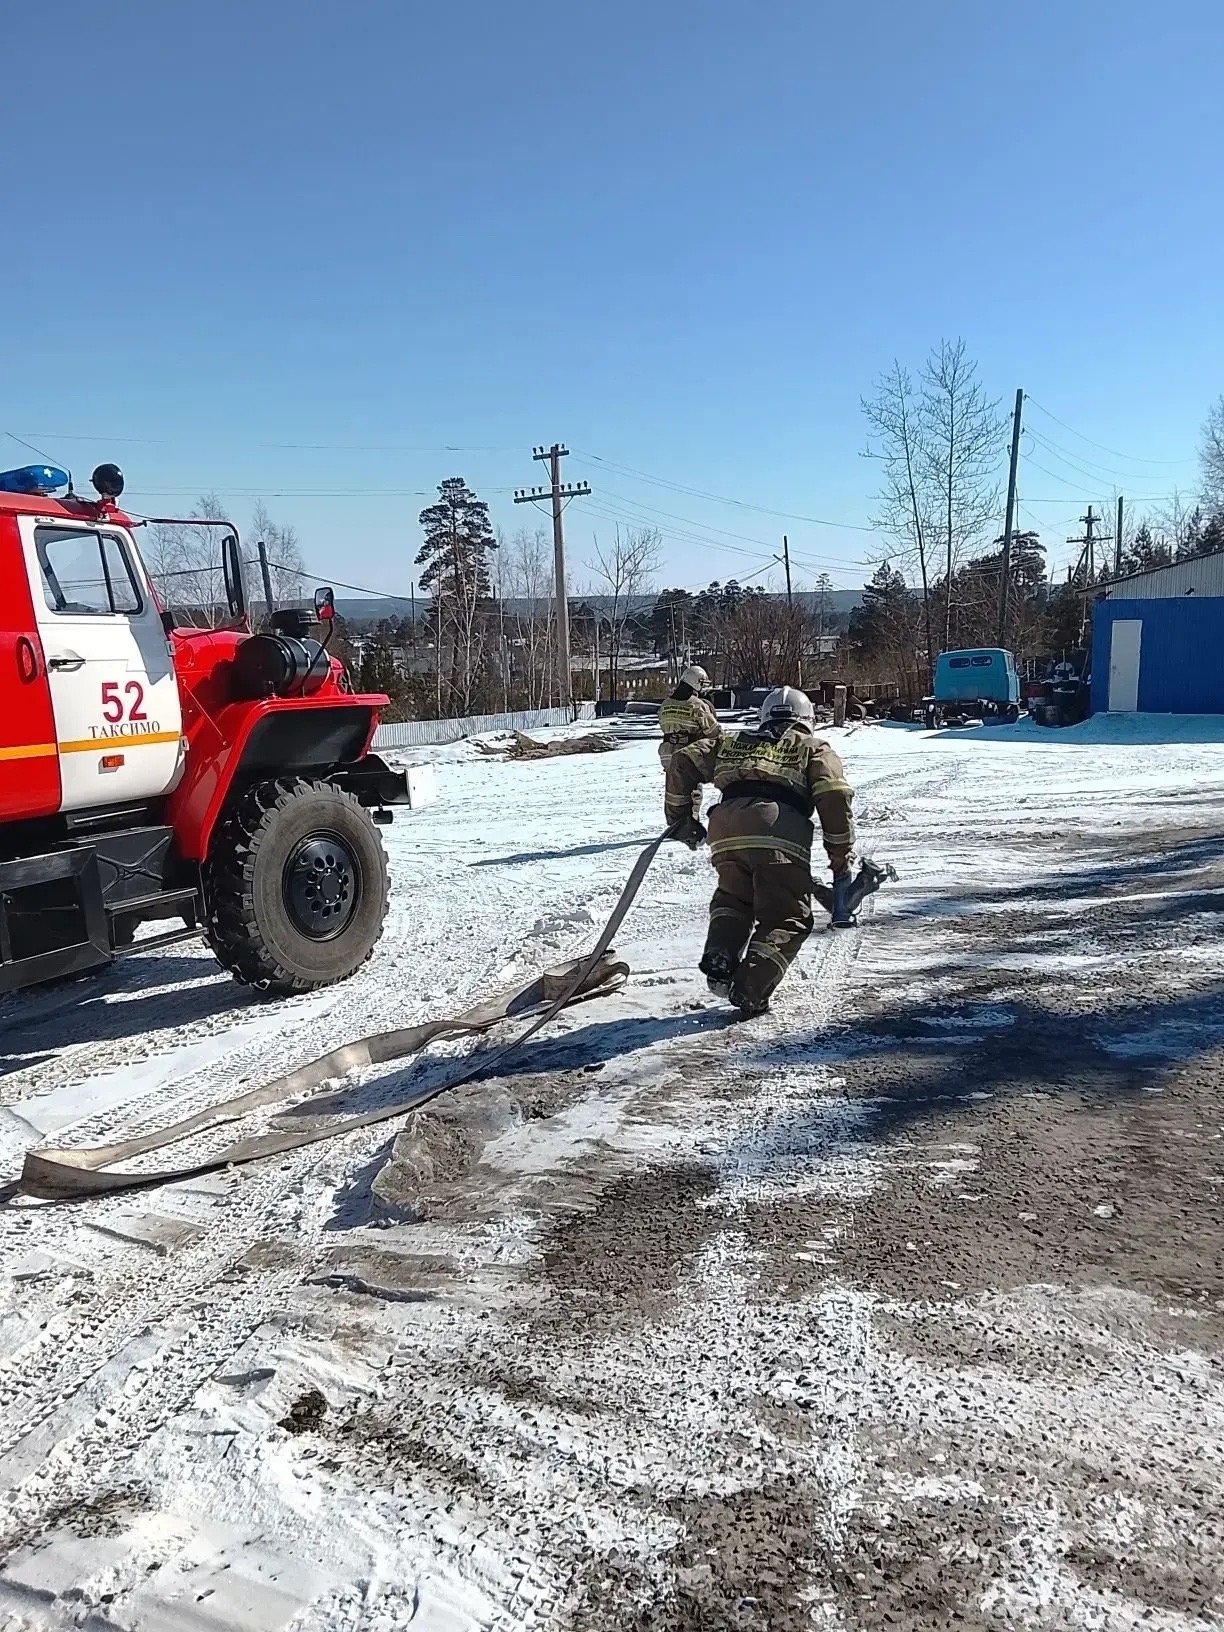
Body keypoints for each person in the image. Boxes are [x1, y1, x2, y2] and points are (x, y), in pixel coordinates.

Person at [664, 685, 854, 1017]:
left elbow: (682, 761)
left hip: (726, 828)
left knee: (734, 900)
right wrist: (840, 855)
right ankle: (750, 988)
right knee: (788, 917)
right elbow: (834, 795)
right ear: (807, 720)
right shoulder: (813, 748)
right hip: (778, 830)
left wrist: (682, 821)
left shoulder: (731, 742)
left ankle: (721, 954)